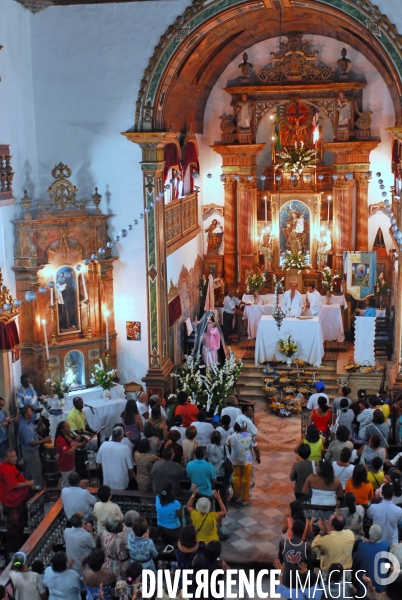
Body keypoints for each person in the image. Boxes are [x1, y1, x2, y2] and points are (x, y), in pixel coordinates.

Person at [17, 405, 51, 487]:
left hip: (31, 451)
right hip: (31, 452)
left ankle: (29, 489)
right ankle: (38, 491)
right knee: (36, 472)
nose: (32, 412)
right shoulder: (24, 427)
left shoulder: (29, 421)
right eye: (30, 411)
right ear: (25, 414)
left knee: (30, 471)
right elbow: (31, 442)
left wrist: (43, 438)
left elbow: (34, 432)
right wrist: (44, 440)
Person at [227, 417, 257, 506]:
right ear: (243, 427)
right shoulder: (249, 436)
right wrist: (258, 456)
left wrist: (232, 453)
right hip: (246, 462)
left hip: (235, 461)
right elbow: (256, 447)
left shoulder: (231, 436)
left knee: (236, 478)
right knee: (246, 479)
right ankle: (245, 499)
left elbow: (227, 445)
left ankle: (236, 496)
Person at [353, 524, 389, 597]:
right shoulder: (385, 545)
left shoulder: (362, 546)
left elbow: (355, 561)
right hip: (381, 586)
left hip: (364, 588)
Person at [277, 519, 314, 587]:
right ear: (303, 532)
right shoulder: (306, 547)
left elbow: (280, 561)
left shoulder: (283, 543)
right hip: (300, 582)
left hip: (286, 580)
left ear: (292, 530)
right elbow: (310, 566)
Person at [0, 448, 33, 514]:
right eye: (12, 457)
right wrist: (28, 483)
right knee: (16, 520)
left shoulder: (11, 465)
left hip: (20, 496)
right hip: (12, 499)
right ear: (5, 458)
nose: (15, 458)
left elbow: (18, 477)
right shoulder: (6, 469)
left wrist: (25, 481)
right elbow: (14, 485)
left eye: (15, 456)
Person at [54, 420, 86, 486]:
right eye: (67, 427)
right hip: (65, 465)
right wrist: (77, 442)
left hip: (71, 463)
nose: (69, 429)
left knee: (72, 483)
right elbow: (68, 452)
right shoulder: (60, 439)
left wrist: (83, 443)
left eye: (69, 427)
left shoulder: (68, 436)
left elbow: (74, 445)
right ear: (62, 429)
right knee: (67, 483)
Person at [99, 516, 129, 580]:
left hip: (104, 563)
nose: (123, 525)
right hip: (114, 566)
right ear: (117, 527)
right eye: (121, 524)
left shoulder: (102, 533)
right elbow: (123, 557)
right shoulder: (118, 541)